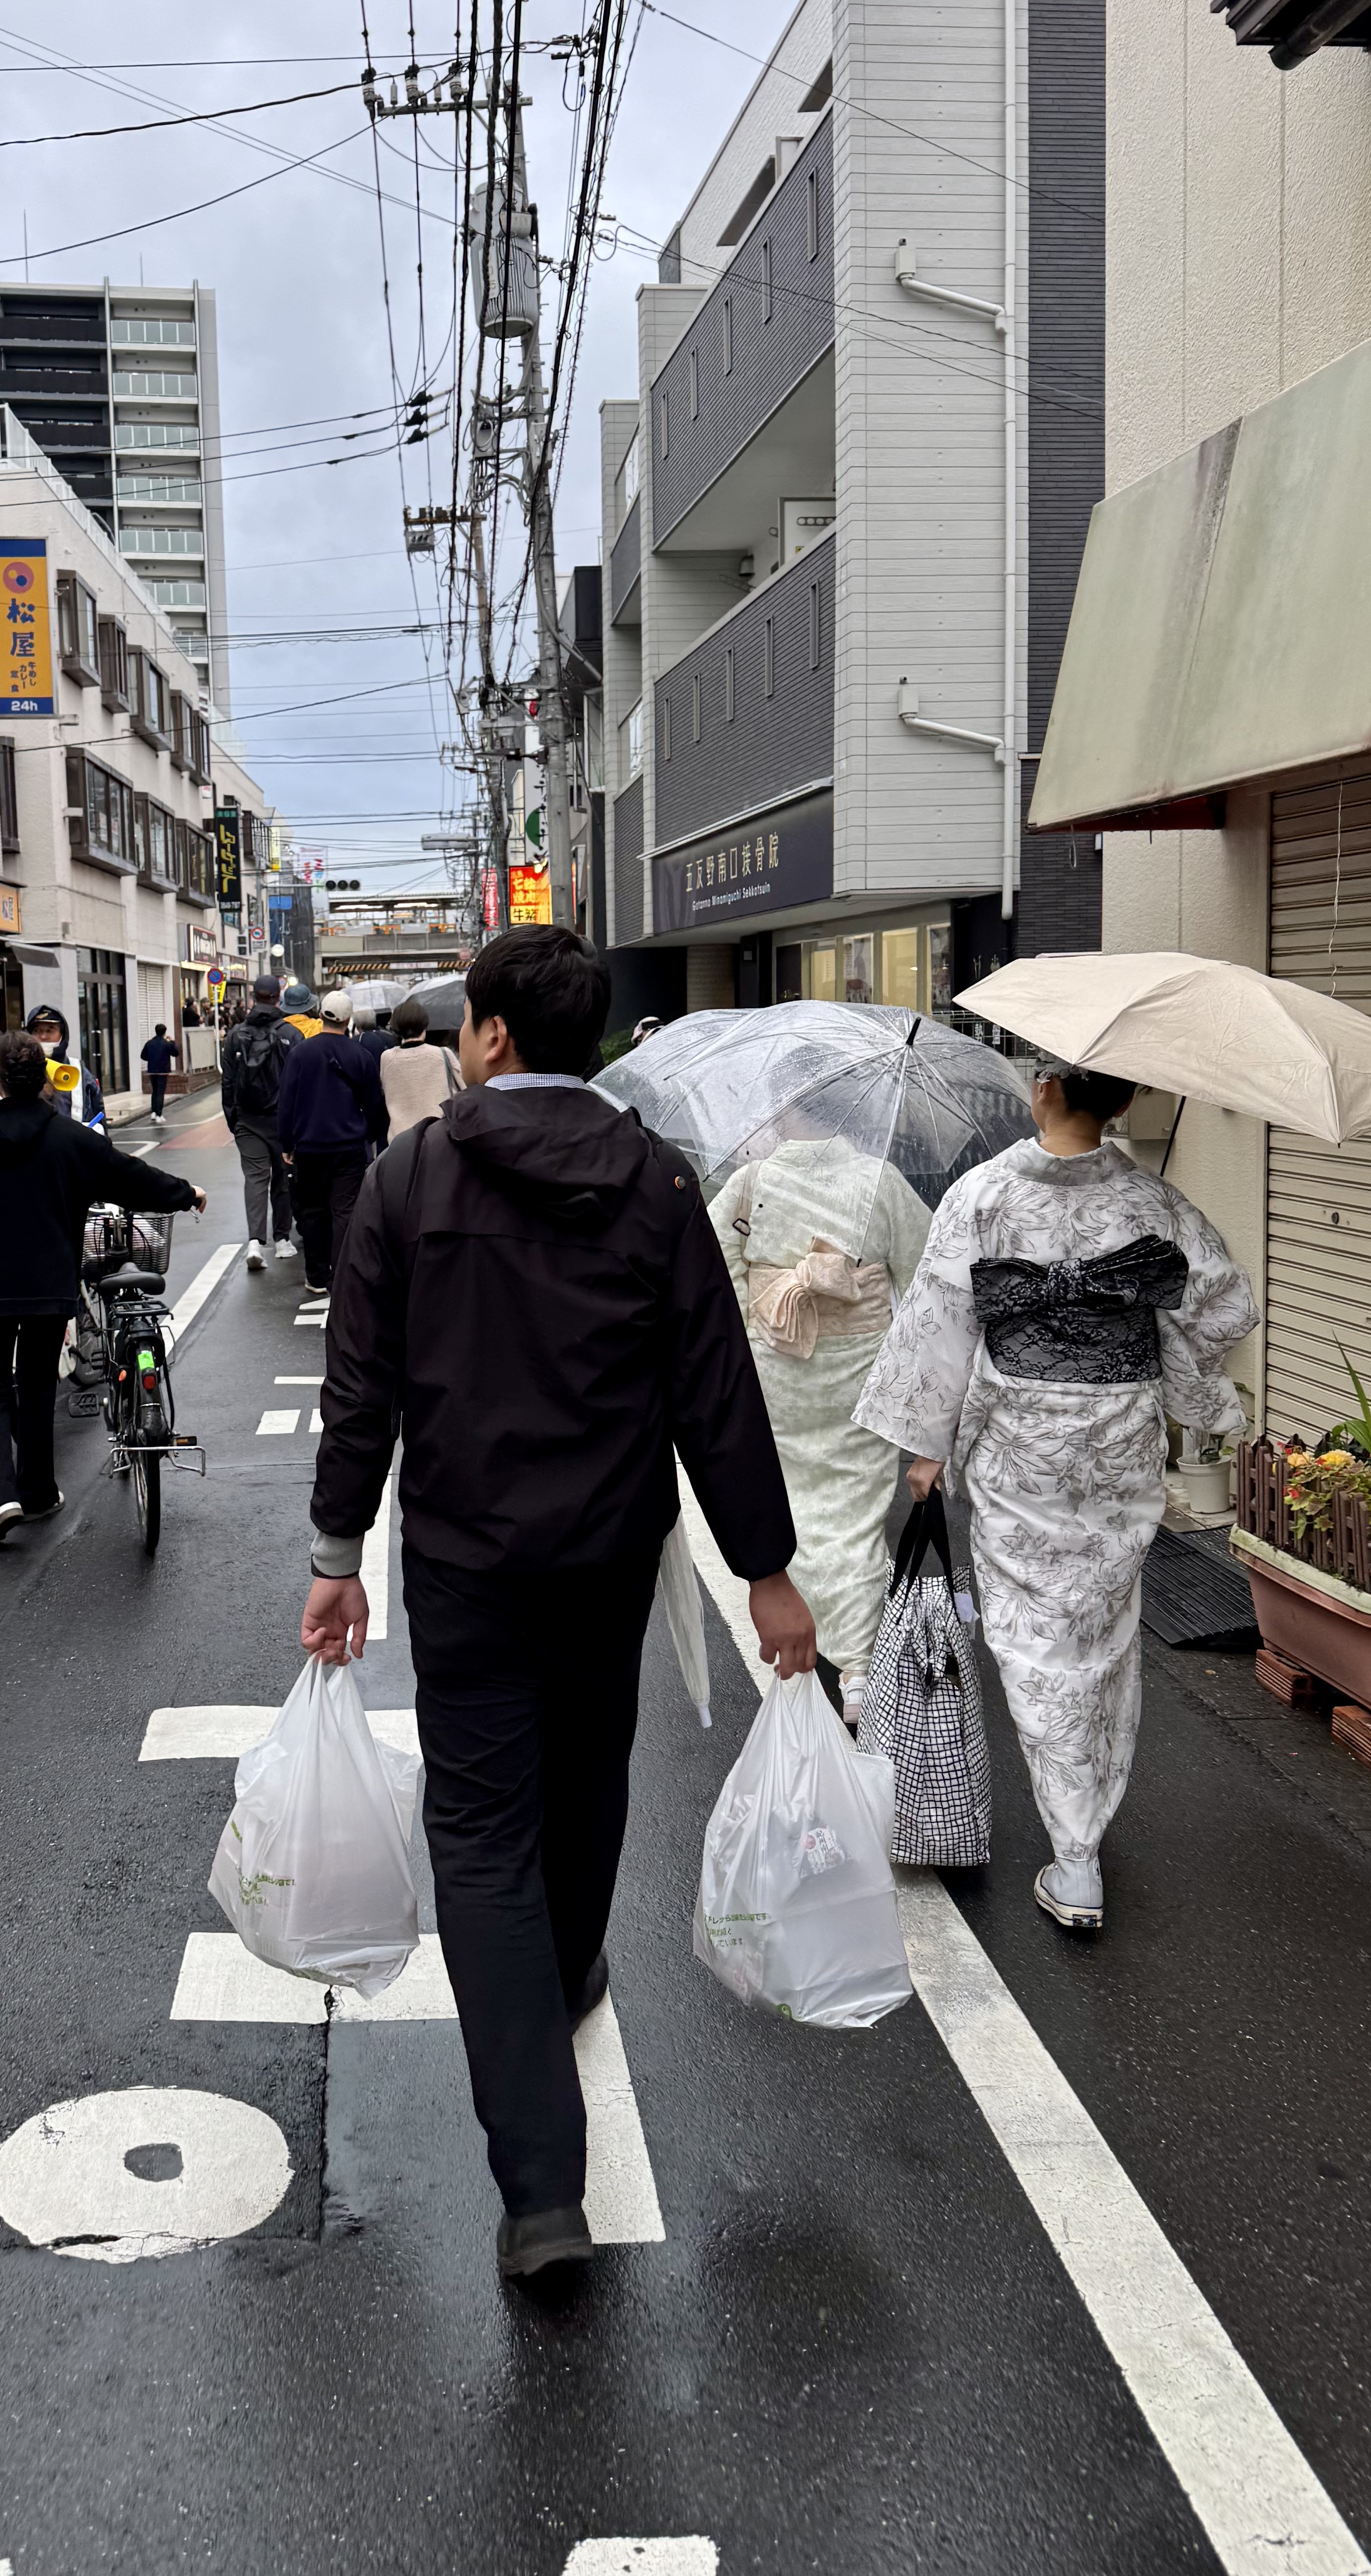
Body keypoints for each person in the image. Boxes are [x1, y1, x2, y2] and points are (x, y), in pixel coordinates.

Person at [304, 926, 813, 2278]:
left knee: (479, 1835)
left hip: (467, 1563)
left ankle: (541, 2193)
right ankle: (574, 1964)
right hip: (606, 1557)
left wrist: (334, 1551)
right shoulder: (654, 1182)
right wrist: (766, 1573)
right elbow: (714, 1388)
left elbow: (362, 1386)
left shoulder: (410, 1177)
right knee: (589, 1779)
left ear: (486, 1036)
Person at [854, 1062, 1258, 1936]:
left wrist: (923, 1449)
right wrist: (1149, 1326)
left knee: (1029, 1635)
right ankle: (1080, 1836)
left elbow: (938, 1323)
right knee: (1101, 1632)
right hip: (1114, 1445)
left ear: (1044, 1093)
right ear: (1118, 1102)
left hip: (1018, 1448)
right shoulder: (1154, 1206)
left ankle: (1073, 1855)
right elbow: (1224, 1304)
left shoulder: (983, 1194)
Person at [0, 1028, 205, 1548]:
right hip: (48, 1283)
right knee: (38, 1386)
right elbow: (130, 1177)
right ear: (45, 1078)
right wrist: (186, 1194)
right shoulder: (68, 1137)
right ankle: (38, 1493)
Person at [709, 1134, 933, 1726]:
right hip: (860, 1370)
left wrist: (757, 1324)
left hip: (775, 1372)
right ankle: (858, 1667)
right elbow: (925, 1273)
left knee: (791, 1502)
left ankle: (799, 1642)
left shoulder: (751, 1182)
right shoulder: (881, 1179)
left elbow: (715, 1268)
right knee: (857, 1512)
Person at [275, 987, 386, 1291]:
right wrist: (369, 1135)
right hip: (350, 1146)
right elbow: (375, 1105)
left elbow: (287, 1102)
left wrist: (287, 1144)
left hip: (309, 1147)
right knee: (345, 1211)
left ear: (320, 1014)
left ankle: (316, 1276)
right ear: (349, 1020)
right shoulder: (360, 1055)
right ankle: (343, 1274)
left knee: (312, 1212)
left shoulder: (301, 1053)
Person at [221, 970, 300, 1274]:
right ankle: (282, 1240)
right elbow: (299, 1083)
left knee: (255, 1179)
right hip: (282, 1120)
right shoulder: (291, 1034)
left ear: (254, 997)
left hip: (247, 1121)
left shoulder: (235, 1035)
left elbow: (227, 1082)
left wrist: (235, 1120)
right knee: (282, 1179)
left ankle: (255, 1241)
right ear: (278, 997)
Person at [377, 996, 462, 1138]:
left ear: (396, 1028)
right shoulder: (443, 1054)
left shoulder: (387, 1058)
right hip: (440, 1139)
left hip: (400, 1143)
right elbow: (463, 1091)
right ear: (425, 1025)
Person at [141, 1022, 179, 1119]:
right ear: (164, 1033)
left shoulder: (149, 1043)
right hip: (163, 1071)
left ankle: (153, 1112)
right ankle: (159, 1114)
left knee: (155, 1091)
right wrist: (172, 1042)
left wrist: (151, 1059)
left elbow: (143, 1056)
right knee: (160, 1092)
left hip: (152, 1070)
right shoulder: (167, 1044)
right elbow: (176, 1053)